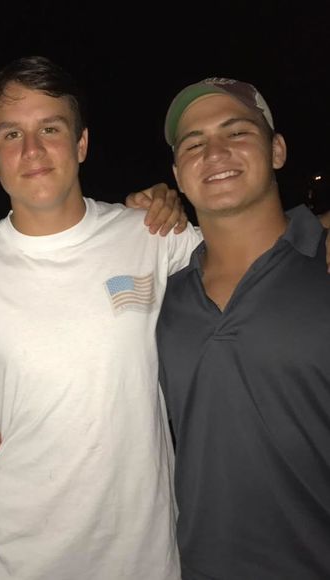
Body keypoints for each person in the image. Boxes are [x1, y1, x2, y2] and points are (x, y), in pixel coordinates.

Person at [0, 55, 202, 580]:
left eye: (50, 129)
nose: (32, 150)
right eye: (11, 134)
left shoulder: (151, 235)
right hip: (15, 557)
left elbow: (244, 276)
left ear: (81, 143)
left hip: (141, 556)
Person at [156, 77, 330, 579]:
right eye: (194, 143)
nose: (214, 153)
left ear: (277, 150)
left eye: (236, 133)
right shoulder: (163, 298)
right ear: (177, 174)